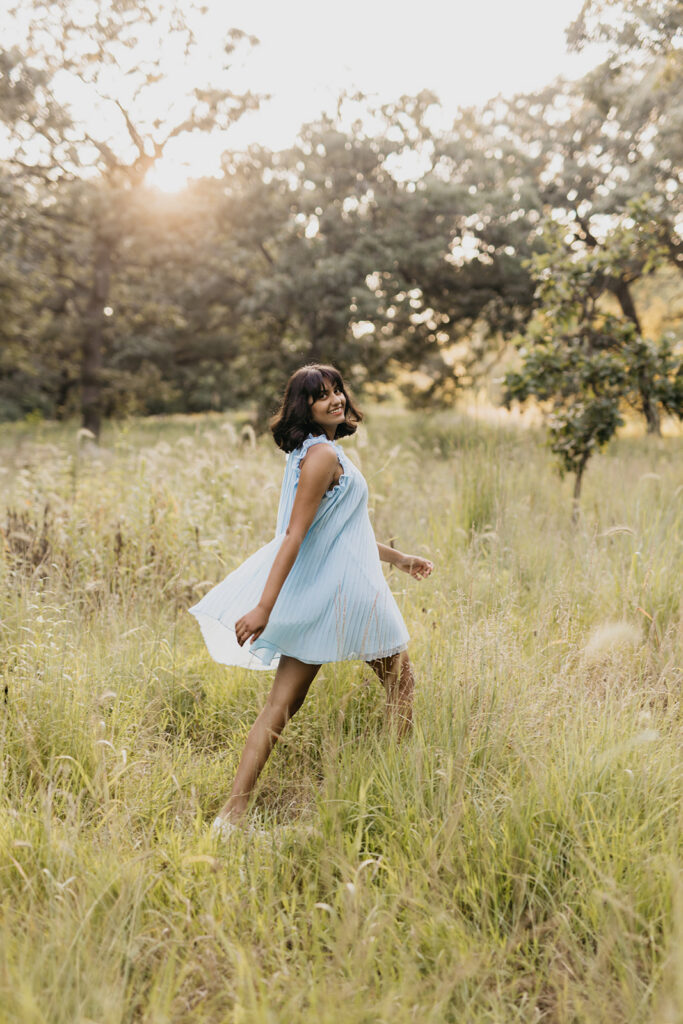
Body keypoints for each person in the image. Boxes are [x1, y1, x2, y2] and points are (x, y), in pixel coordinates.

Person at [189, 364, 433, 834]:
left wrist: (398, 558)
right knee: (401, 687)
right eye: (322, 395)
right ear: (305, 406)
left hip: (330, 591)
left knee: (281, 707)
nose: (336, 399)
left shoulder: (310, 452)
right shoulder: (321, 455)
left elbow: (339, 532)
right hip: (350, 595)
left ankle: (230, 816)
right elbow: (294, 536)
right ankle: (395, 786)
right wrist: (264, 605)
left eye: (337, 390)